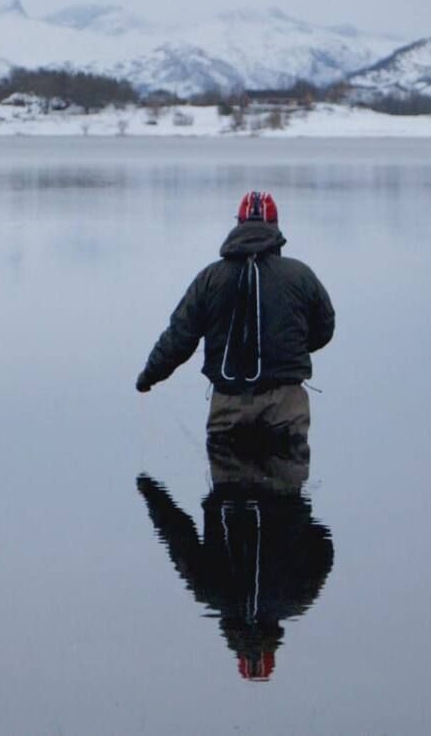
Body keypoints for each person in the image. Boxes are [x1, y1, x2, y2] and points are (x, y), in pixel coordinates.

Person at [135, 428, 334, 681]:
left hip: (280, 481)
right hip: (231, 480)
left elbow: (323, 547)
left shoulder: (295, 600)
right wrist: (151, 494)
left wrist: (300, 526)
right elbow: (178, 534)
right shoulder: (212, 596)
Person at [135, 191, 335, 438]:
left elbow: (180, 337)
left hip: (228, 405)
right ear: (275, 226)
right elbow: (325, 328)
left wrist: (149, 376)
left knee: (228, 474)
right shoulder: (301, 275)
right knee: (289, 473)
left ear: (238, 224)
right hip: (286, 406)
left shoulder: (210, 278)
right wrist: (291, 348)